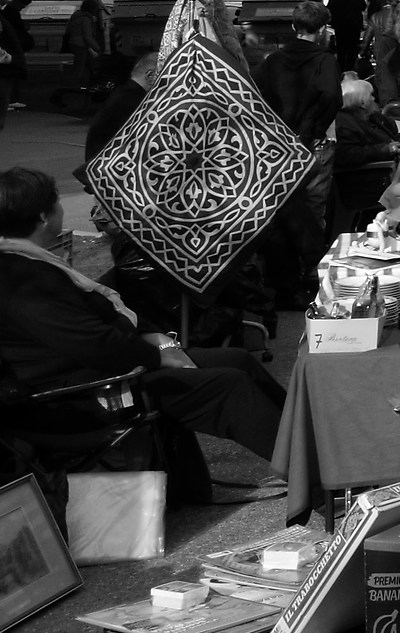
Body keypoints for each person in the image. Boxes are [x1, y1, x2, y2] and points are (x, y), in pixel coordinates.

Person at [0, 166, 288, 475]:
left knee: (237, 360)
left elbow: (104, 326)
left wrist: (157, 340)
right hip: (79, 396)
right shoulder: (18, 278)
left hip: (104, 372)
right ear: (44, 216)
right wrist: (157, 357)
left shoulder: (30, 261)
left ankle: (316, 441)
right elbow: (94, 343)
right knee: (228, 387)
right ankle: (315, 478)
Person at [326, 77, 400, 238]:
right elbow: (346, 155)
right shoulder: (344, 123)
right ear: (362, 102)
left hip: (386, 172)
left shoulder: (372, 117)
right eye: (371, 96)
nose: (374, 99)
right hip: (365, 181)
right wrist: (384, 149)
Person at [259, 1, 343, 145]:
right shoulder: (325, 60)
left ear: (293, 26)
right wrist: (316, 129)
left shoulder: (274, 59)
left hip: (279, 138)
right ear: (322, 29)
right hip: (312, 141)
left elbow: (258, 91)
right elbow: (331, 96)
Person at [82, 52, 156, 174]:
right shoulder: (133, 101)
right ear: (150, 76)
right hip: (110, 171)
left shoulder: (126, 94)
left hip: (104, 166)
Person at [63, 0, 109, 90]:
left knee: (90, 64)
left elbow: (68, 30)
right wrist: (97, 48)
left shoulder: (76, 16)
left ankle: (91, 83)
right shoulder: (86, 19)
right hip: (81, 45)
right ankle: (75, 87)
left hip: (74, 44)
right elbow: (88, 37)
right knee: (80, 67)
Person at [327, 0, 366, 74]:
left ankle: (340, 70)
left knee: (341, 49)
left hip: (340, 26)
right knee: (352, 49)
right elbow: (363, 6)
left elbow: (329, 9)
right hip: (354, 26)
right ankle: (350, 70)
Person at [0, 0, 32, 113]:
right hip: (10, 52)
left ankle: (11, 99)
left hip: (10, 52)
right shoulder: (11, 12)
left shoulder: (8, 11)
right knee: (11, 75)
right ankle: (12, 99)